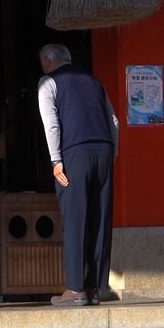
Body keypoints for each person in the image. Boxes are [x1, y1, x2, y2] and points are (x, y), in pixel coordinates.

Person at [38, 44, 119, 307]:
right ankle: (95, 287)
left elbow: (51, 123)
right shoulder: (95, 82)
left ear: (48, 61)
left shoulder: (48, 82)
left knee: (76, 220)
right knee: (100, 218)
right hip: (104, 151)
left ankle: (75, 289)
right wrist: (113, 153)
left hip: (75, 154)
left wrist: (55, 160)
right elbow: (113, 120)